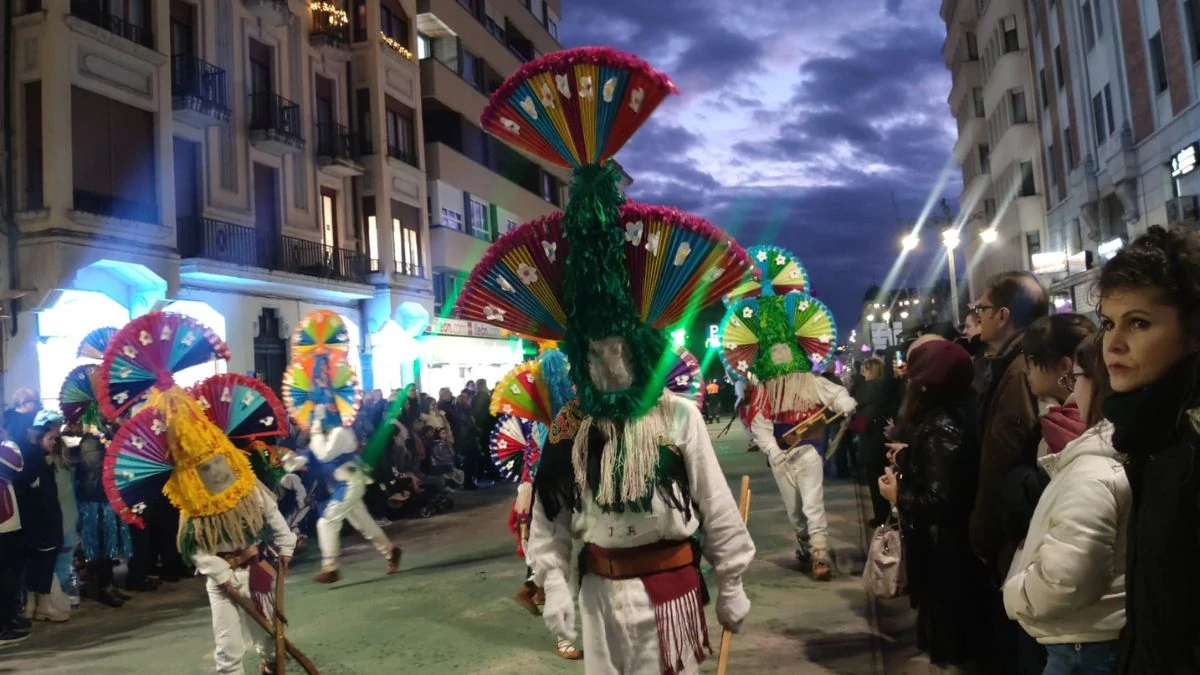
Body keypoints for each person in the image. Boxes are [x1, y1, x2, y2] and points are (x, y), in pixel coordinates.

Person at [461, 49, 755, 673]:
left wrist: (730, 579)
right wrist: (557, 587)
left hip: (671, 598)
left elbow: (715, 504)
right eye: (593, 353)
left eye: (617, 350)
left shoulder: (677, 417)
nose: (606, 364)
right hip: (598, 598)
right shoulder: (570, 427)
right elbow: (549, 520)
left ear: (642, 347)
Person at [1092, 226, 1200, 673]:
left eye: (1138, 322)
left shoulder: (1187, 450)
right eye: (1107, 323)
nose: (1113, 343)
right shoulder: (1152, 438)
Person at [730, 246, 857, 581]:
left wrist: (844, 404)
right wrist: (773, 453)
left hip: (810, 451)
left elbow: (838, 395)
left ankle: (820, 554)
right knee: (794, 512)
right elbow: (760, 426)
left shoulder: (810, 381)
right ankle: (805, 544)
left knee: (813, 505)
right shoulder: (766, 391)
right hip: (782, 457)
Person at [1003, 335, 1127, 675]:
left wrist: (1015, 595)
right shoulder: (1112, 456)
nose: (1071, 394)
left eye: (1077, 378)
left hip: (1083, 644)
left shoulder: (1091, 473)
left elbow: (1069, 578)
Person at [879, 340, 987, 673]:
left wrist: (896, 494)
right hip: (959, 548)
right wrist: (908, 456)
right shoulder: (966, 407)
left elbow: (937, 500)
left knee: (951, 639)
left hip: (946, 552)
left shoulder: (941, 424)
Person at [307, 406, 401, 584]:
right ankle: (390, 551)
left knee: (327, 521)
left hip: (349, 484)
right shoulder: (334, 432)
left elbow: (325, 454)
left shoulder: (340, 432)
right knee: (364, 524)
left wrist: (315, 431)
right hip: (346, 484)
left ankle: (330, 567)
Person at [18, 411, 67, 623]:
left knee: (33, 564)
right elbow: (44, 497)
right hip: (44, 523)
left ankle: (31, 606)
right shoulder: (38, 463)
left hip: (31, 523)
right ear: (39, 439)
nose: (54, 442)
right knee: (46, 563)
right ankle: (44, 606)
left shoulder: (29, 459)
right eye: (50, 439)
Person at [0, 427, 31, 645]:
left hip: (8, 523)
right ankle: (3, 626)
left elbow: (15, 465)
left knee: (10, 576)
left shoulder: (7, 446)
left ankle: (9, 619)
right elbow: (11, 465)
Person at [854, 357, 892, 525]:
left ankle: (881, 517)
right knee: (887, 477)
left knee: (874, 481)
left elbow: (862, 417)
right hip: (885, 438)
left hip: (870, 439)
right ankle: (888, 515)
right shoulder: (887, 387)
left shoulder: (866, 389)